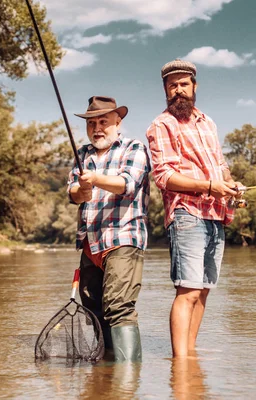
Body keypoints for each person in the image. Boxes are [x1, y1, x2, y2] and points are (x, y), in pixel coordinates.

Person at [146, 59, 242, 358]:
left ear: (194, 86)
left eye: (184, 84)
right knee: (187, 290)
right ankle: (181, 363)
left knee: (203, 291)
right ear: (165, 90)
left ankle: (189, 356)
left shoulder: (208, 122)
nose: (179, 91)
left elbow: (220, 165)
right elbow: (164, 177)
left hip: (216, 215)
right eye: (172, 86)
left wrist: (231, 185)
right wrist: (211, 186)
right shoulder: (162, 125)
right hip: (187, 214)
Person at [68, 96, 150, 362]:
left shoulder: (134, 147)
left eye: (104, 121)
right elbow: (73, 195)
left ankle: (126, 381)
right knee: (92, 307)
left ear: (118, 121)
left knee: (119, 306)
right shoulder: (82, 154)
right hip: (90, 242)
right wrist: (82, 189)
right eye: (92, 123)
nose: (97, 128)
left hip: (123, 238)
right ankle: (106, 375)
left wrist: (95, 179)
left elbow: (127, 185)